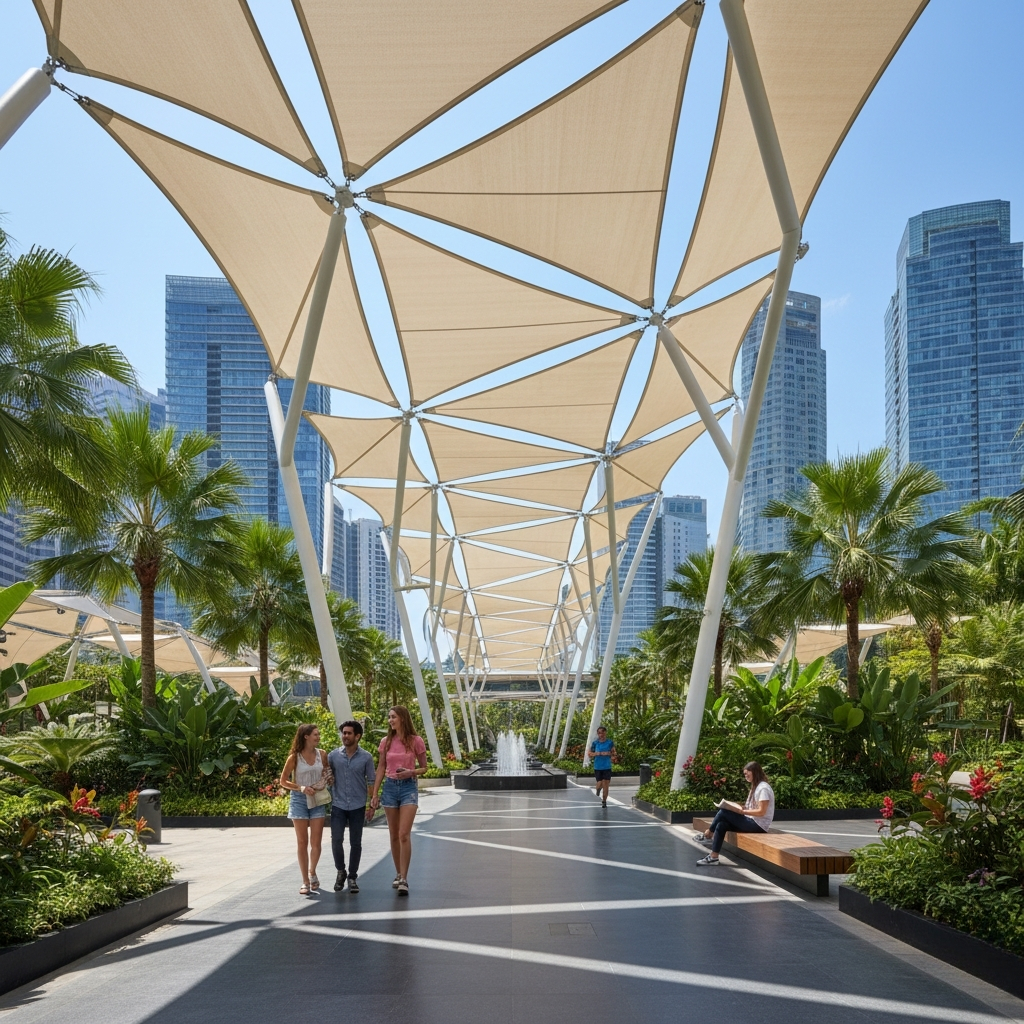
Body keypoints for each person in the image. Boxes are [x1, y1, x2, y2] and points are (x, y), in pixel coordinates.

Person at [369, 706, 427, 896]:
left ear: (402, 718)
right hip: (390, 788)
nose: (390, 720)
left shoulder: (416, 741)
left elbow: (424, 768)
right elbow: (381, 768)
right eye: (389, 717)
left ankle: (404, 879)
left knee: (403, 834)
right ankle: (398, 873)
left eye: (393, 717)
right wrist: (375, 793)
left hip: (409, 787)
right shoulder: (386, 742)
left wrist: (411, 772)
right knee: (394, 835)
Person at [280, 724, 332, 894]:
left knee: (316, 843)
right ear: (306, 736)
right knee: (302, 842)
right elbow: (283, 781)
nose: (318, 737)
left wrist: (326, 780)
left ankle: (312, 871)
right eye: (315, 734)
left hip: (317, 799)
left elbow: (326, 773)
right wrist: (301, 788)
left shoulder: (322, 754)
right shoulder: (294, 757)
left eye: (318, 734)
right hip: (299, 800)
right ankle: (305, 881)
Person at [327, 719, 376, 894]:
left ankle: (353, 877)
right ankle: (341, 871)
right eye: (344, 733)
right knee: (336, 840)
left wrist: (371, 805)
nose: (345, 736)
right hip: (338, 804)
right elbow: (327, 776)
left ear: (357, 736)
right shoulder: (333, 756)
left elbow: (371, 781)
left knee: (356, 842)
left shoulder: (366, 757)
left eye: (349, 733)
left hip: (357, 805)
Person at [694, 761, 775, 866]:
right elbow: (751, 807)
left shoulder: (763, 788)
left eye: (747, 773)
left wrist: (742, 811)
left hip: (759, 825)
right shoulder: (755, 786)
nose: (745, 776)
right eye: (744, 774)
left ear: (755, 772)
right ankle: (714, 857)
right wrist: (737, 807)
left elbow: (761, 811)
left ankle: (708, 834)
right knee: (721, 825)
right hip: (751, 821)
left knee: (723, 812)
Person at [589, 726, 615, 807]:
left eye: (603, 732)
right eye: (599, 733)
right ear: (598, 734)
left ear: (605, 733)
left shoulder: (610, 743)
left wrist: (609, 754)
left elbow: (614, 753)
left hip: (607, 767)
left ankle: (604, 801)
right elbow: (589, 754)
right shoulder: (595, 743)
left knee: (606, 784)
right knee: (599, 784)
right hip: (598, 767)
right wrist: (597, 753)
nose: (601, 734)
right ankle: (598, 789)